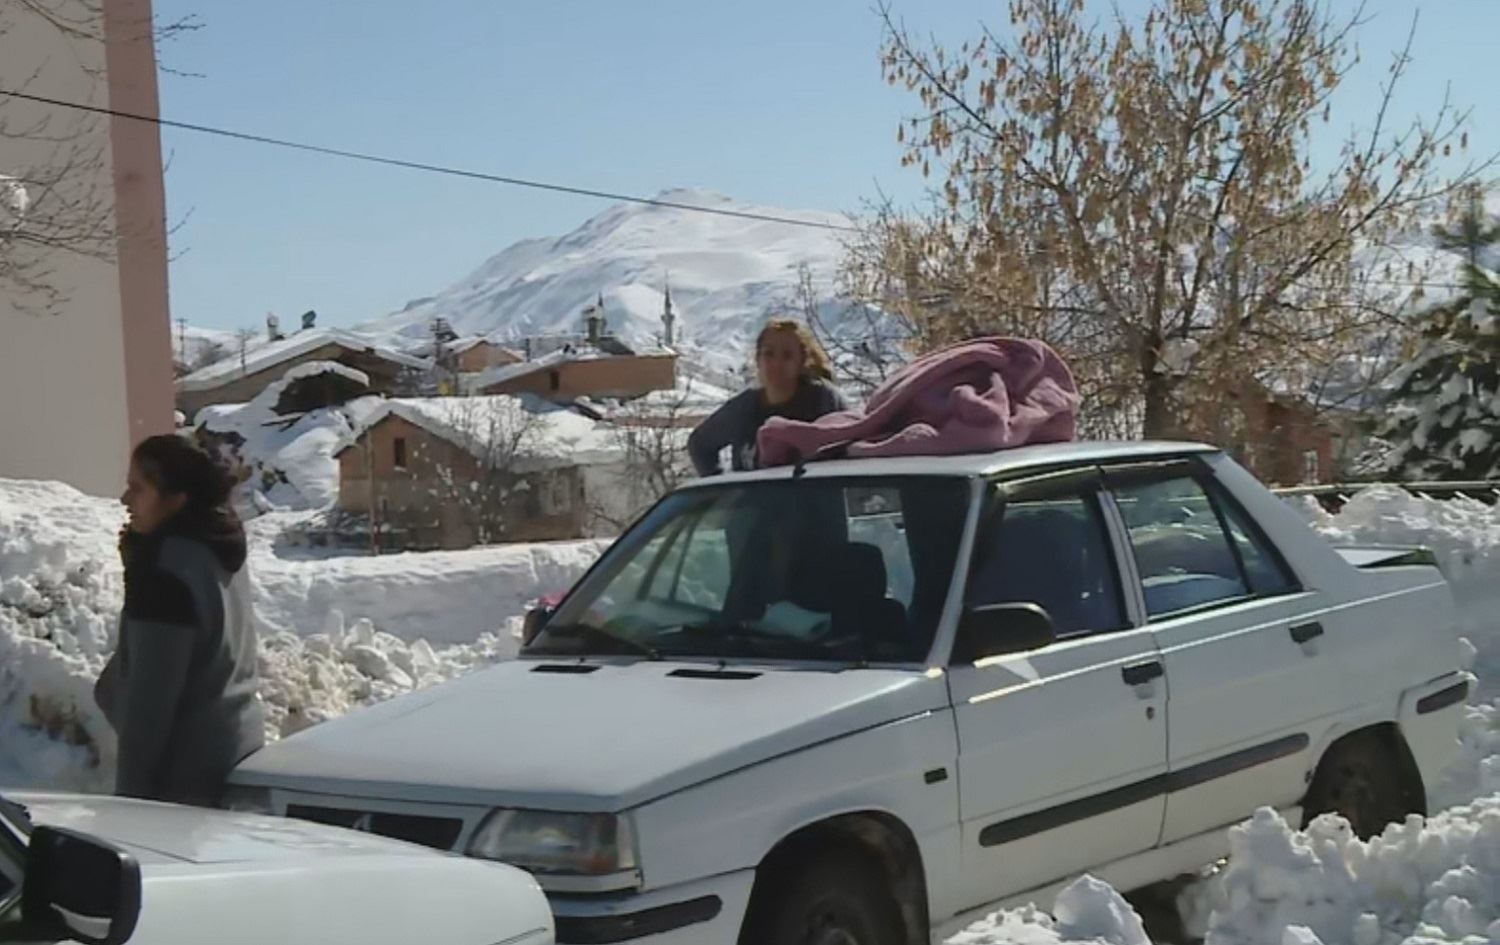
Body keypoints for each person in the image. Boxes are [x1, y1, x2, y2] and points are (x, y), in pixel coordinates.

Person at [94, 434, 264, 805]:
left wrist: (130, 806)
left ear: (177, 497)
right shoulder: (215, 543)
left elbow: (149, 707)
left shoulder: (165, 574)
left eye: (138, 488)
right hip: (236, 750)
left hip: (185, 787)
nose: (125, 499)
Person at [688, 319, 848, 475]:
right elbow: (699, 444)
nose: (777, 364)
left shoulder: (822, 400)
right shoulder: (743, 408)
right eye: (769, 354)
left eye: (787, 356)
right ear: (758, 360)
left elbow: (851, 442)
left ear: (802, 362)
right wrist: (722, 486)